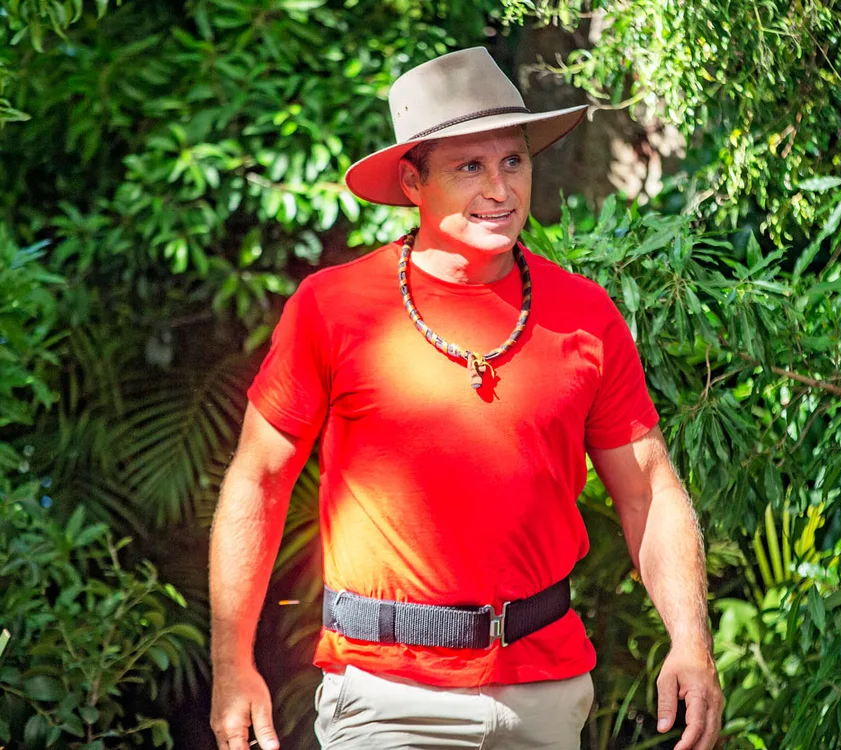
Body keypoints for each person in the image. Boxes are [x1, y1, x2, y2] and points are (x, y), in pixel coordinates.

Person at [209, 47, 723, 750]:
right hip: (387, 697)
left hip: (546, 695)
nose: (500, 189)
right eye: (469, 167)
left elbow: (649, 490)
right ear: (414, 182)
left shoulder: (585, 314)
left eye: (513, 161)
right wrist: (231, 666)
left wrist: (691, 641)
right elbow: (258, 479)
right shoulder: (332, 308)